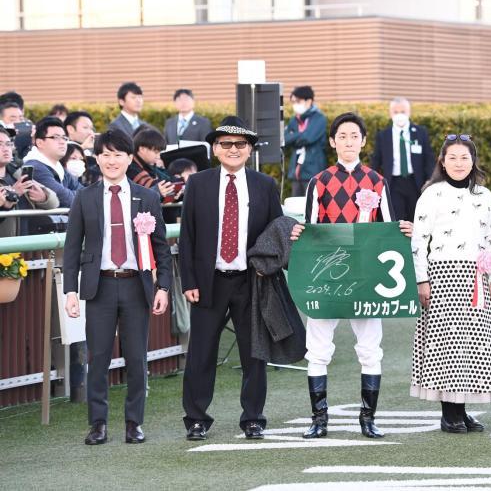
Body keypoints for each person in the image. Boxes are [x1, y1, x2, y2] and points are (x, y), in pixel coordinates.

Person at [179, 116, 296, 441]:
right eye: (226, 144)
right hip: (207, 281)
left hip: (251, 281)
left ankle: (254, 418)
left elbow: (276, 230)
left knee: (253, 353)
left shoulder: (264, 185)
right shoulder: (198, 184)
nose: (233, 149)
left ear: (250, 150)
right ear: (215, 148)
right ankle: (196, 419)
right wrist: (189, 280)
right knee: (201, 353)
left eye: (240, 144)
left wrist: (270, 262)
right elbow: (187, 236)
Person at [300, 112, 412, 440]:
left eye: (354, 136)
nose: (349, 142)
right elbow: (309, 230)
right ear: (333, 142)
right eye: (343, 136)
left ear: (363, 141)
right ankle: (319, 420)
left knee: (370, 348)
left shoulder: (377, 181)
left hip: (366, 278)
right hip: (328, 277)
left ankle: (368, 419)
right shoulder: (318, 181)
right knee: (318, 348)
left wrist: (405, 230)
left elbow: (388, 229)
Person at [62, 129, 173, 445]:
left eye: (118, 154)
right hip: (100, 287)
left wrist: (163, 287)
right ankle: (98, 423)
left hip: (137, 286)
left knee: (137, 357)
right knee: (97, 358)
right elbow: (73, 249)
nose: (112, 161)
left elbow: (161, 247)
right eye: (105, 154)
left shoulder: (147, 196)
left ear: (129, 158)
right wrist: (71, 291)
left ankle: (134, 422)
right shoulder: (85, 197)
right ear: (97, 158)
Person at [409, 134, 491, 433]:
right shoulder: (431, 194)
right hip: (442, 276)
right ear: (442, 161)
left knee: (470, 344)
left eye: (465, 157)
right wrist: (421, 279)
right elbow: (418, 240)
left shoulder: (483, 195)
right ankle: (449, 413)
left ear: (473, 161)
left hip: (475, 277)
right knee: (447, 345)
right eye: (453, 157)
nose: (459, 163)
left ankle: (461, 410)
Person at [370, 97, 435, 221]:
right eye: (396, 112)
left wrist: (430, 180)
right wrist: (372, 182)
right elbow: (376, 160)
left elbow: (428, 158)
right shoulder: (384, 135)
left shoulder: (420, 133)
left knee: (416, 216)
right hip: (393, 183)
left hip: (415, 182)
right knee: (396, 217)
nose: (400, 115)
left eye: (403, 111)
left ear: (409, 113)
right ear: (390, 114)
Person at [0, 127, 58, 238]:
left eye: (8, 144)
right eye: (0, 144)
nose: (5, 149)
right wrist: (12, 195)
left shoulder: (18, 174)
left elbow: (54, 203)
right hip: (5, 250)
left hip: (28, 247)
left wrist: (43, 197)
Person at [283, 86, 327, 197]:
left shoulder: (319, 118)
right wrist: (300, 135)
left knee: (312, 205)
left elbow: (309, 137)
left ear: (309, 101)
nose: (295, 105)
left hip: (313, 171)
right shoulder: (294, 120)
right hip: (296, 172)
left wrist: (294, 136)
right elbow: (285, 139)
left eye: (298, 101)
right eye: (293, 102)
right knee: (296, 207)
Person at [127, 128, 178, 201]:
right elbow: (153, 185)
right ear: (142, 149)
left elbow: (166, 178)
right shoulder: (131, 167)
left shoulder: (146, 165)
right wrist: (176, 185)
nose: (158, 156)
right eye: (156, 152)